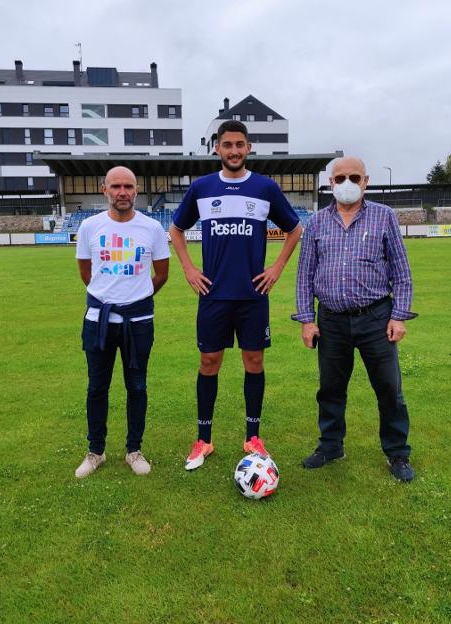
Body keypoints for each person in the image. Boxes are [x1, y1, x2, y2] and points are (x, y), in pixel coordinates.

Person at [170, 120, 302, 470]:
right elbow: (176, 228)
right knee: (208, 363)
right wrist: (188, 268)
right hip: (212, 294)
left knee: (253, 362)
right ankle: (204, 441)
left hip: (252, 295)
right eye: (227, 144)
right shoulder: (201, 188)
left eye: (240, 144)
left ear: (248, 148)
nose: (233, 151)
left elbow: (294, 228)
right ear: (217, 148)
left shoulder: (264, 188)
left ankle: (253, 437)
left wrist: (276, 269)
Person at [292, 156, 417, 482]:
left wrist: (399, 316)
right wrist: (307, 319)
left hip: (376, 318)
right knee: (330, 389)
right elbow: (304, 275)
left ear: (365, 182)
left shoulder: (384, 216)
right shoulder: (317, 222)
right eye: (340, 178)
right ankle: (330, 446)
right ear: (330, 183)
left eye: (354, 177)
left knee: (389, 388)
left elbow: (401, 273)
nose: (347, 183)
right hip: (331, 321)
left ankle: (397, 453)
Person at [74, 166, 170, 478]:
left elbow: (162, 273)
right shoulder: (90, 227)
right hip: (98, 320)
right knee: (96, 387)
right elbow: (86, 273)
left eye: (128, 186)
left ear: (136, 190)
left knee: (137, 386)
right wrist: (109, 299)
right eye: (116, 186)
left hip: (138, 321)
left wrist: (137, 297)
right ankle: (96, 451)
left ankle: (134, 450)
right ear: (105, 190)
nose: (122, 192)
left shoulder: (152, 228)